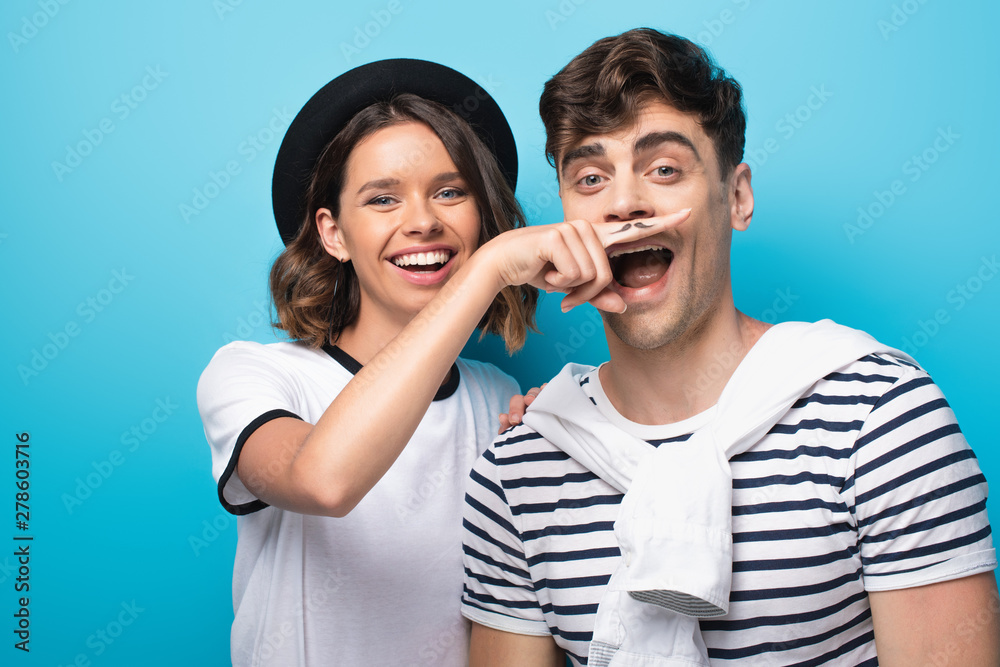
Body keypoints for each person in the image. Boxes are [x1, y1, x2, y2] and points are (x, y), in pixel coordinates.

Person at [461, 30, 999, 666]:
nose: (625, 203)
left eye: (664, 169)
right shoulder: (517, 471)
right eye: (591, 177)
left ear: (737, 197)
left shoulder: (881, 419)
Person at [196, 58, 686, 666]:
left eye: (451, 192)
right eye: (382, 199)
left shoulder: (497, 397)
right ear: (333, 233)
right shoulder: (256, 375)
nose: (423, 222)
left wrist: (561, 445)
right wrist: (490, 269)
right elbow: (321, 480)